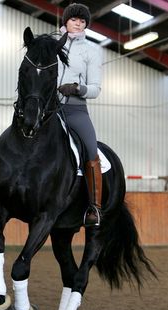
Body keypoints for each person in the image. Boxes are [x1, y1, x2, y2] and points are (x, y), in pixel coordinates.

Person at [58, 3, 103, 227]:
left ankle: (94, 207)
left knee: (91, 149)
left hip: (75, 109)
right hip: (47, 108)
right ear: (65, 20)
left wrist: (77, 88)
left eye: (82, 21)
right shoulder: (51, 44)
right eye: (74, 19)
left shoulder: (92, 51)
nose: (78, 23)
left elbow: (95, 88)